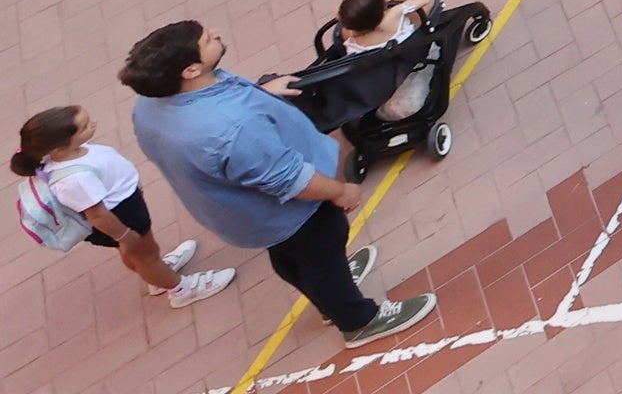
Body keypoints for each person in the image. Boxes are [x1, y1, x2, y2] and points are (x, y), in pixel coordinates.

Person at [123, 19, 437, 346]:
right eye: (206, 39)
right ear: (190, 70)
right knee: (322, 248)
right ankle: (357, 320)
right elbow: (292, 181)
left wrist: (260, 95)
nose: (216, 32)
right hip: (290, 211)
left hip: (247, 216)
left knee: (292, 257)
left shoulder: (150, 105)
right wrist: (341, 190)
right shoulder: (232, 128)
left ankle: (328, 296)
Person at [12, 100, 234, 307]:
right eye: (85, 126)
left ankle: (158, 273)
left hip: (122, 209)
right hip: (120, 217)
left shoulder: (68, 156)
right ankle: (180, 289)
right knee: (144, 254)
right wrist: (125, 236)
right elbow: (97, 214)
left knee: (142, 254)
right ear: (59, 149)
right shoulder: (74, 180)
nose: (94, 124)